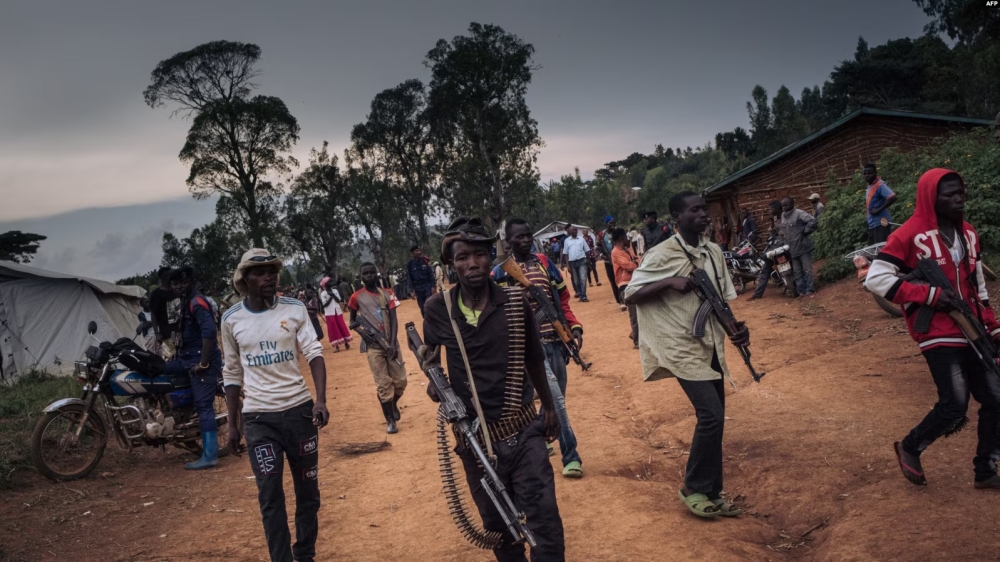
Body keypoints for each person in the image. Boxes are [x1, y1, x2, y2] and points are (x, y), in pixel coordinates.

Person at [424, 216, 564, 561]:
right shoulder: (437, 309)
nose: (472, 264)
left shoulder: (515, 302)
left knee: (544, 519)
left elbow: (533, 360)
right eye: (462, 257)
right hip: (475, 441)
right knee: (500, 527)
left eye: (480, 254)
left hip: (523, 429)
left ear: (491, 256)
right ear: (451, 264)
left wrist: (548, 407)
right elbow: (431, 361)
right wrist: (437, 387)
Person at [865, 168, 1000, 489]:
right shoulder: (908, 234)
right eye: (948, 194)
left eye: (960, 192)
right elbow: (876, 278)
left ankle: (986, 467)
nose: (957, 198)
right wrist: (929, 295)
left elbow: (978, 287)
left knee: (996, 397)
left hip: (972, 326)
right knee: (955, 403)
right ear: (930, 197)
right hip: (936, 331)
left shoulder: (968, 233)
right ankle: (911, 447)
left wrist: (994, 329)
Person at [623, 191, 749, 519]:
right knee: (711, 415)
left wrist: (735, 329)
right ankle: (693, 486)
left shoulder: (713, 252)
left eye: (704, 209)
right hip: (678, 344)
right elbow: (630, 294)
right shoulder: (662, 253)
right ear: (676, 218)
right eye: (694, 210)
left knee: (717, 418)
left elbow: (721, 301)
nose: (703, 214)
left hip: (709, 343)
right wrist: (668, 282)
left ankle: (713, 490)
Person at [221, 249, 328, 562]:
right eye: (259, 273)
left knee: (308, 494)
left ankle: (304, 554)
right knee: (270, 497)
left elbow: (314, 352)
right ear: (245, 280)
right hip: (259, 421)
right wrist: (233, 424)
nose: (268, 278)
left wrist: (320, 400)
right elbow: (232, 372)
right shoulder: (231, 320)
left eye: (272, 271)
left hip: (299, 414)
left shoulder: (295, 310)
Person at [493, 218, 586, 480]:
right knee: (555, 400)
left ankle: (543, 433)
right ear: (508, 242)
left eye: (527, 235)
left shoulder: (545, 263)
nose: (524, 240)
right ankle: (571, 456)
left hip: (555, 342)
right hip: (527, 348)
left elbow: (563, 298)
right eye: (518, 237)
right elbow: (494, 310)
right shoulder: (500, 273)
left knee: (557, 398)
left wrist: (574, 327)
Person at [162, 266, 223, 471]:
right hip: (187, 358)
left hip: (200, 360)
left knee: (204, 406)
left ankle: (210, 456)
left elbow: (209, 332)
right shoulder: (184, 302)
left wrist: (204, 363)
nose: (179, 286)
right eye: (175, 283)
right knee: (160, 371)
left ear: (191, 282)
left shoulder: (196, 302)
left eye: (183, 282)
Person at [348, 263, 407, 434]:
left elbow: (394, 318)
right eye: (365, 273)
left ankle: (392, 403)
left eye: (371, 272)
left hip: (390, 342)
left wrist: (393, 341)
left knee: (401, 381)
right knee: (383, 384)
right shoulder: (356, 297)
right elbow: (352, 322)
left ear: (377, 274)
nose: (369, 276)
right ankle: (390, 421)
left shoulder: (388, 293)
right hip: (373, 346)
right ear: (361, 277)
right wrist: (362, 333)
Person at [778, 197, 818, 298]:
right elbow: (783, 231)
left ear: (792, 204)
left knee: (807, 270)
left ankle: (810, 290)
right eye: (782, 205)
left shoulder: (799, 213)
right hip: (792, 249)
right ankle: (802, 292)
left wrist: (805, 231)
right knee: (797, 272)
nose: (784, 207)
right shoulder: (783, 215)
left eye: (786, 205)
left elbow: (812, 221)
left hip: (803, 247)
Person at [749, 202, 785, 301]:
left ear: (777, 209)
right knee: (765, 268)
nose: (769, 211)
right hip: (777, 245)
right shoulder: (774, 219)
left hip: (786, 244)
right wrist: (772, 223)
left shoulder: (785, 217)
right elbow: (773, 234)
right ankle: (757, 294)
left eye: (770, 209)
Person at [610, 228, 639, 348]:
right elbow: (629, 266)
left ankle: (635, 334)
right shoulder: (616, 252)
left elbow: (636, 259)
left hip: (632, 282)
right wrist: (637, 263)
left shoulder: (626, 249)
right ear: (621, 239)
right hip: (625, 285)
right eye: (626, 238)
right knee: (634, 314)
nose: (628, 239)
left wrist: (635, 260)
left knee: (639, 311)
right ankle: (637, 340)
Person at [148, 267, 177, 360]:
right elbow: (153, 315)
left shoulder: (177, 290)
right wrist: (157, 333)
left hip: (181, 332)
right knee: (172, 358)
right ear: (162, 277)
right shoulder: (156, 294)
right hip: (167, 334)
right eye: (168, 275)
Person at [596, 217, 626, 309]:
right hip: (608, 262)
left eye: (614, 223)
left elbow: (625, 243)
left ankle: (625, 299)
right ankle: (620, 301)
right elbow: (597, 247)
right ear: (606, 224)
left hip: (620, 261)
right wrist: (601, 255)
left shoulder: (618, 232)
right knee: (613, 281)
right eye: (610, 223)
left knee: (622, 280)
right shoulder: (601, 234)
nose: (613, 225)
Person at [863, 163, 897, 244]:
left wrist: (879, 209)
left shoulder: (880, 185)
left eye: (869, 173)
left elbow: (892, 197)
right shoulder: (870, 185)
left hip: (881, 223)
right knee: (872, 251)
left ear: (875, 173)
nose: (867, 175)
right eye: (865, 173)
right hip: (873, 224)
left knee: (881, 250)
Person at [560, 224, 591, 302]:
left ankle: (583, 296)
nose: (574, 232)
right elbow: (565, 253)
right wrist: (567, 265)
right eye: (573, 230)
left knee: (583, 279)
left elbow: (587, 250)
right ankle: (580, 293)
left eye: (576, 230)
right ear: (570, 232)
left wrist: (587, 260)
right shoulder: (567, 241)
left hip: (582, 261)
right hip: (572, 263)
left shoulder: (581, 239)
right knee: (576, 280)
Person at [320, 279, 352, 352]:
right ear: (325, 284)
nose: (331, 283)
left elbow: (338, 300)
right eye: (329, 282)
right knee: (333, 329)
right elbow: (324, 304)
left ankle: (346, 343)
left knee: (341, 326)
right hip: (329, 313)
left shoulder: (335, 291)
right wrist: (331, 297)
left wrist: (333, 295)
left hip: (337, 311)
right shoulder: (323, 294)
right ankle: (336, 346)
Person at [407, 245, 437, 316]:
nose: (419, 252)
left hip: (427, 287)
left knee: (429, 304)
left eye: (419, 250)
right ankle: (426, 320)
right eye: (416, 251)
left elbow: (431, 274)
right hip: (418, 289)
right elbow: (410, 278)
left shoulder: (425, 260)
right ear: (413, 253)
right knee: (422, 307)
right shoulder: (410, 264)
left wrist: (433, 286)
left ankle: (432, 321)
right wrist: (411, 290)